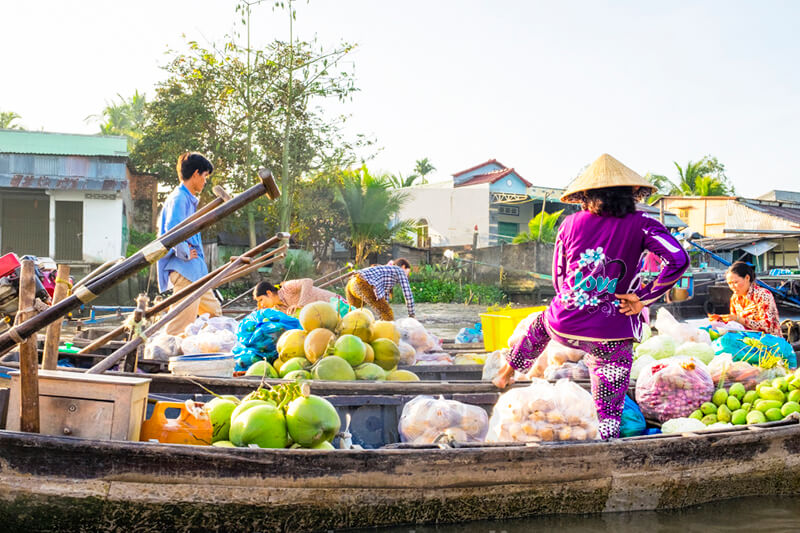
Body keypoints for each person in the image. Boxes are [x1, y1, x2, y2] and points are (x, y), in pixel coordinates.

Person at [492, 154, 690, 440]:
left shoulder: (570, 223)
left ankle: (508, 369)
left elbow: (560, 280)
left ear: (586, 197)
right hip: (612, 330)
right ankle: (606, 438)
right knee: (608, 405)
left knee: (540, 325)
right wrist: (643, 298)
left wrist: (575, 304)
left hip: (565, 321)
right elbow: (678, 259)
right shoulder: (643, 223)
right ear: (631, 195)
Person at [157, 152, 222, 336]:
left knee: (214, 314)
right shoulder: (179, 198)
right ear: (195, 174)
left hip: (196, 272)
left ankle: (208, 348)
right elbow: (171, 229)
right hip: (185, 270)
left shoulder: (187, 199)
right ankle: (161, 356)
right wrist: (185, 251)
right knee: (180, 324)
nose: (205, 181)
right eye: (204, 176)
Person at [346, 258, 415, 321]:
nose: (408, 276)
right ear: (403, 267)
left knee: (353, 313)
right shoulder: (400, 270)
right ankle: (387, 333)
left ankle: (347, 326)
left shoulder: (389, 272)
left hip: (351, 283)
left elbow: (384, 298)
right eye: (408, 272)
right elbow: (407, 293)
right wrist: (411, 314)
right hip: (362, 283)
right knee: (387, 314)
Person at [723, 261, 781, 335]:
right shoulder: (735, 298)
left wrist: (739, 319)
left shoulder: (763, 295)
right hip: (745, 340)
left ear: (747, 278)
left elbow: (767, 326)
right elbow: (734, 325)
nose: (732, 286)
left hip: (768, 341)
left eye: (735, 282)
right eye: (729, 283)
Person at [252, 279, 342, 315]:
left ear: (269, 293)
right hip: (327, 315)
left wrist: (301, 304)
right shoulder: (279, 309)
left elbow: (307, 281)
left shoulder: (286, 288)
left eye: (261, 300)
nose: (261, 304)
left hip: (337, 305)